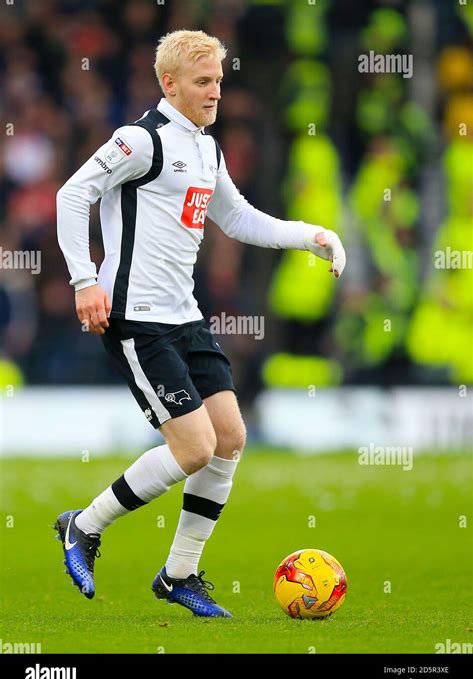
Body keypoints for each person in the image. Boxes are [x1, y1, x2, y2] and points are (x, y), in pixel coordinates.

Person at [54, 29, 346, 618]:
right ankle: (82, 526)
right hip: (136, 319)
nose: (215, 92)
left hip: (185, 317)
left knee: (230, 439)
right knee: (194, 448)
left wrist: (310, 237)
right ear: (170, 83)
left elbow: (237, 220)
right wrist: (85, 281)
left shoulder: (206, 149)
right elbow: (71, 194)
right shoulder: (140, 141)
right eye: (203, 82)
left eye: (218, 80)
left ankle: (178, 573)